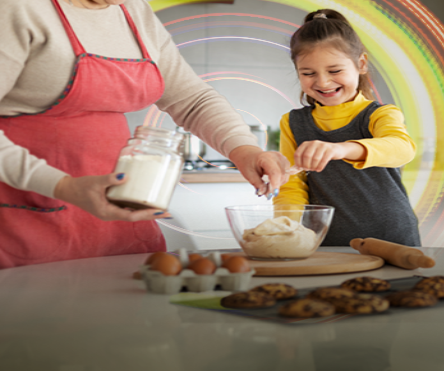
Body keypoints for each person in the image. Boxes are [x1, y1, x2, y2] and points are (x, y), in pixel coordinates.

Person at [0, 0, 290, 268]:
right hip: (26, 207)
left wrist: (243, 149)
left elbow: (190, 98)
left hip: (120, 212)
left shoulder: (133, 9)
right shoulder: (18, 8)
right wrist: (62, 186)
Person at [273, 9, 421, 246]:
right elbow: (291, 185)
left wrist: (341, 149)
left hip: (393, 238)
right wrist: (284, 227)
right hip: (327, 241)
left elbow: (402, 149)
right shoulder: (292, 123)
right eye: (308, 73)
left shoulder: (380, 114)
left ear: (361, 64)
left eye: (335, 71)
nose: (322, 82)